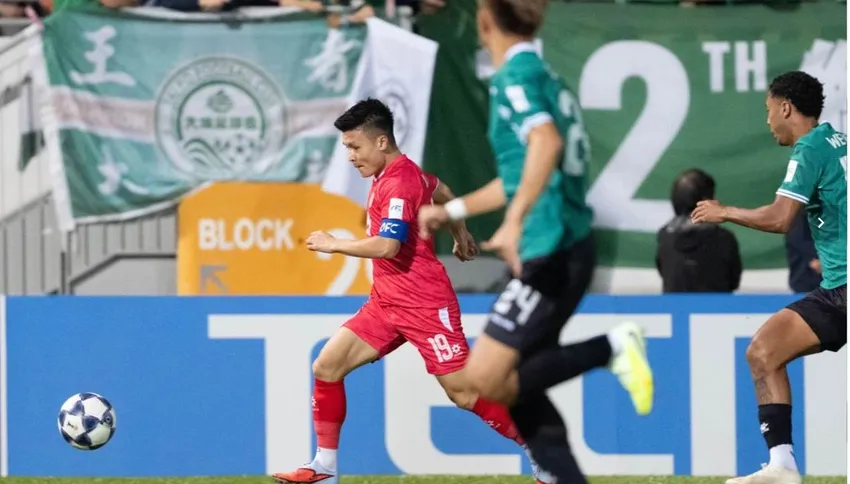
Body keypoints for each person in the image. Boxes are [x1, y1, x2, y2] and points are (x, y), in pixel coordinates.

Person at [417, 0, 654, 482]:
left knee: (483, 378)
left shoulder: (514, 78)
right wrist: (452, 211)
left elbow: (546, 143)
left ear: (485, 21)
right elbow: (519, 175)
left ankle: (611, 347)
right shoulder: (546, 75)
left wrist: (514, 222)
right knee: (514, 389)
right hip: (565, 244)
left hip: (551, 246)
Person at [273, 99, 553, 484]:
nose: (351, 156)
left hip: (424, 303)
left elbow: (387, 246)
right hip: (386, 303)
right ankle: (324, 467)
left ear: (382, 141)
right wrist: (459, 231)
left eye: (355, 146)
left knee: (464, 394)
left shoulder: (399, 182)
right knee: (326, 366)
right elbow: (441, 189)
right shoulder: (401, 174)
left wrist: (334, 243)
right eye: (347, 148)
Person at [692, 70, 846, 484]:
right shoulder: (839, 142)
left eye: (768, 110)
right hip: (837, 289)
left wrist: (725, 212)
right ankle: (782, 467)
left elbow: (781, 218)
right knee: (763, 352)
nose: (767, 121)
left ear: (786, 108)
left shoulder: (810, 148)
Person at [656, 169, 742, 293]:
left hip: (675, 305)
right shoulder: (725, 238)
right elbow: (734, 281)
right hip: (717, 305)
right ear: (706, 201)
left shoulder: (664, 237)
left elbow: (665, 274)